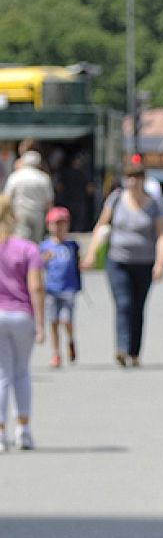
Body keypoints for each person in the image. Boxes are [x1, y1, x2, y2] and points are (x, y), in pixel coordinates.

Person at [83, 160, 163, 367]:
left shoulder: (154, 205)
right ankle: (122, 348)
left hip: (144, 261)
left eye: (137, 177)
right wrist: (92, 253)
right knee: (124, 303)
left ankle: (134, 351)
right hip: (118, 260)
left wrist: (160, 262)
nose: (133, 182)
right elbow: (102, 226)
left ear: (143, 180)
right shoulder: (116, 200)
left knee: (138, 306)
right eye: (129, 177)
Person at [0, 194, 45, 452]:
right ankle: (24, 430)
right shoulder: (28, 248)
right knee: (21, 372)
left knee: (2, 375)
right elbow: (36, 286)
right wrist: (40, 323)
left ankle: (1, 432)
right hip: (21, 314)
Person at [40, 207, 79, 368]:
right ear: (49, 226)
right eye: (56, 224)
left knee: (66, 320)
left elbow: (78, 263)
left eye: (63, 224)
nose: (59, 228)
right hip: (51, 289)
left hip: (68, 288)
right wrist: (44, 259)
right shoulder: (45, 246)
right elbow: (37, 266)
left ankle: (70, 340)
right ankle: (56, 353)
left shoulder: (72, 245)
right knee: (53, 321)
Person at [4, 149, 54, 243]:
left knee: (21, 240)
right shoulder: (44, 178)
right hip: (38, 213)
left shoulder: (15, 176)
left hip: (19, 213)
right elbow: (49, 201)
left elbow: (7, 197)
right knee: (37, 242)